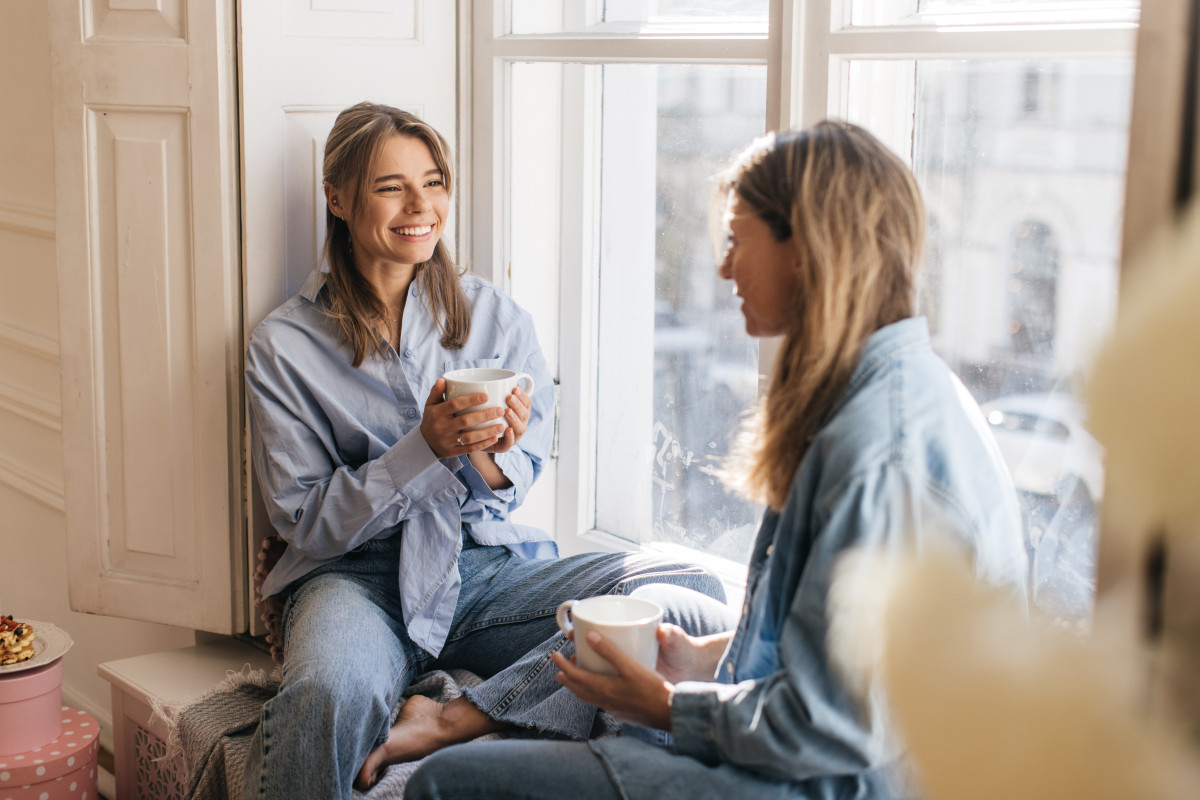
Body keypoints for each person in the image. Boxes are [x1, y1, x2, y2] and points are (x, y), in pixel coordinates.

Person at [403, 120, 1030, 799]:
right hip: (847, 732)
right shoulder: (886, 383)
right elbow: (836, 641)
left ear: (809, 249)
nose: (724, 267)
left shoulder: (880, 452)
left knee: (444, 784)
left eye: (737, 240)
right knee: (668, 608)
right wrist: (702, 659)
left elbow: (837, 728)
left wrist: (670, 707)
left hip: (838, 780)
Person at [240, 101, 734, 800]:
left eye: (435, 181)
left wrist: (486, 454)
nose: (422, 205)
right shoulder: (282, 348)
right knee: (327, 694)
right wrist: (422, 449)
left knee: (691, 592)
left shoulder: (496, 318)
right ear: (338, 199)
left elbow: (513, 478)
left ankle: (449, 720)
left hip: (483, 569)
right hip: (355, 579)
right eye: (391, 187)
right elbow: (307, 522)